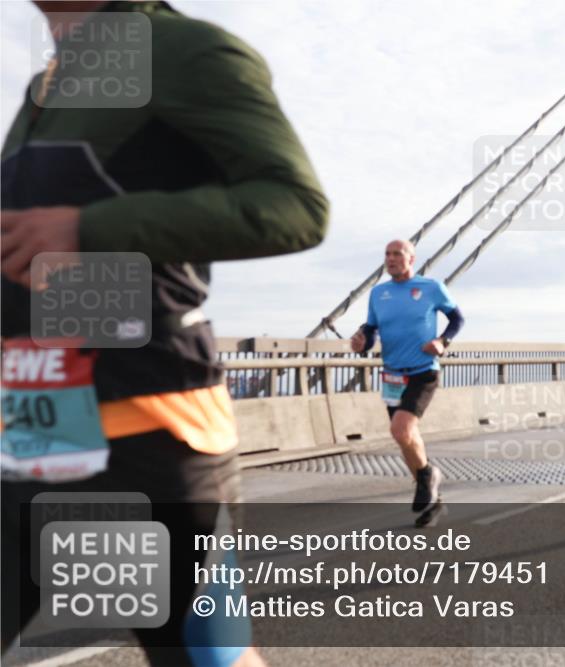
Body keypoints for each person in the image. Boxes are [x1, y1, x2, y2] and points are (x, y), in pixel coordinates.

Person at [1, 2, 329, 665]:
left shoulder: (182, 49)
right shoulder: (50, 86)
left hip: (150, 430)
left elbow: (294, 206)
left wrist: (92, 229)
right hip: (34, 427)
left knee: (209, 659)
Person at [351, 239, 464, 526]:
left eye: (397, 254)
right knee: (405, 438)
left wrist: (442, 341)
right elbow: (372, 329)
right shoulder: (379, 293)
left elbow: (457, 318)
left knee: (400, 429)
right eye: (387, 254)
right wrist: (362, 341)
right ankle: (433, 498)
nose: (390, 259)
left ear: (411, 259)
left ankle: (427, 476)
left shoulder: (431, 288)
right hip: (393, 374)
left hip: (423, 371)